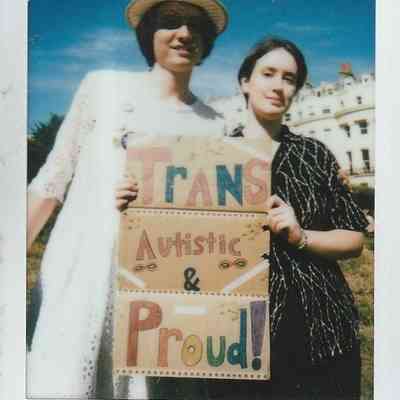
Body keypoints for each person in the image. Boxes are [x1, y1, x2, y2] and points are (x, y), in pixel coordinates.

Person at [117, 37, 369, 400]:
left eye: (289, 78)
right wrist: (134, 201)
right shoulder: (208, 155)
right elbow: (171, 235)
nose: (278, 85)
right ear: (245, 82)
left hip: (322, 332)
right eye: (268, 73)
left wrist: (301, 236)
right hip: (235, 337)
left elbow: (355, 240)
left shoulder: (314, 154)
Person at [27, 0, 228, 398]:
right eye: (170, 22)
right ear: (147, 32)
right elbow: (52, 179)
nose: (184, 34)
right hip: (84, 273)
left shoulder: (216, 124)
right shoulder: (102, 86)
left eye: (195, 26)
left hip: (157, 293)